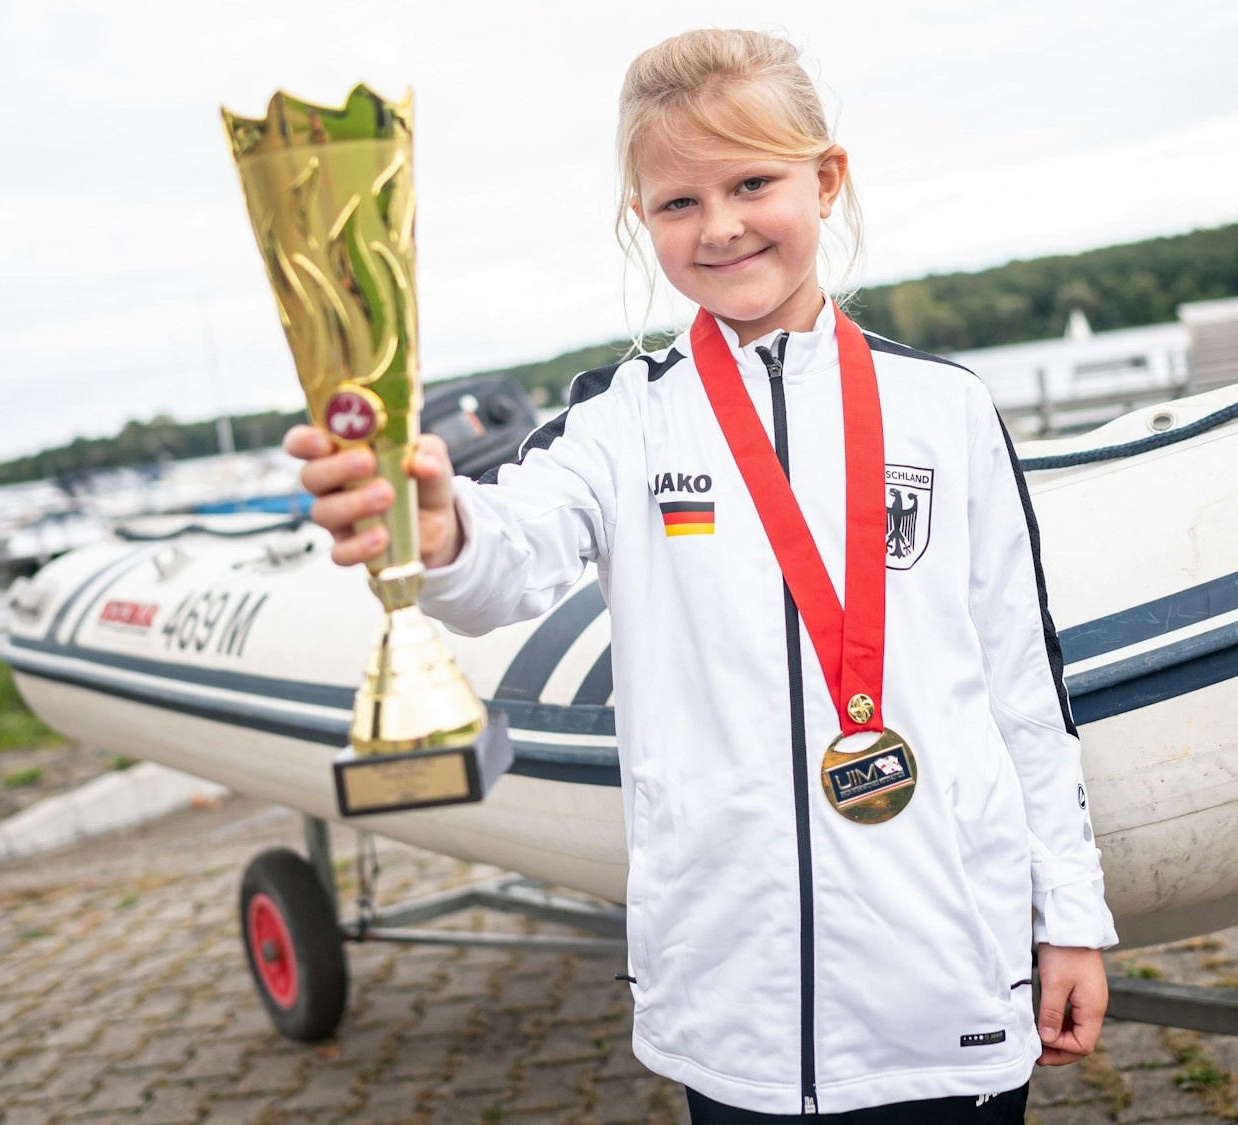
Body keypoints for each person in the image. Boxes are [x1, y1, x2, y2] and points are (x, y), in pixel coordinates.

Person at [285, 27, 1118, 1122]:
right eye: (678, 203)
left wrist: (1069, 916)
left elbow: (1020, 681)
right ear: (643, 218)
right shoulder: (622, 420)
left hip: (946, 974)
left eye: (752, 183)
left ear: (826, 181)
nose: (719, 226)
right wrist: (435, 525)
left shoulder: (944, 409)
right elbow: (505, 562)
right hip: (737, 1005)